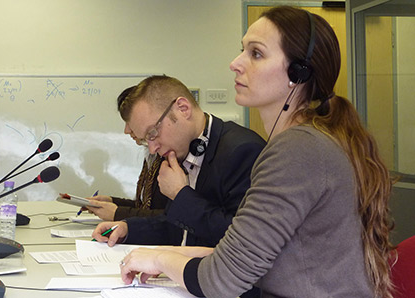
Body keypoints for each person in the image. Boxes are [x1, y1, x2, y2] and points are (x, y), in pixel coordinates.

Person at [118, 6, 395, 298]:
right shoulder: (310, 142)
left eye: (256, 53)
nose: (236, 63)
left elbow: (221, 281)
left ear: (298, 73)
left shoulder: (299, 149)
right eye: (242, 50)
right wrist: (162, 254)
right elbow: (247, 251)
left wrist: (160, 259)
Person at [92, 75, 266, 250]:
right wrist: (128, 228)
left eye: (152, 133)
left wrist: (180, 194)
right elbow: (177, 225)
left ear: (183, 109)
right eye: (146, 140)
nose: (152, 149)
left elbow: (242, 239)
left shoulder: (242, 150)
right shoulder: (182, 151)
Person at [85, 86, 169, 221]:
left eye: (131, 123)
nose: (127, 130)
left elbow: (170, 217)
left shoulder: (168, 157)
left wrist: (118, 213)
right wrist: (112, 202)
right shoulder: (152, 155)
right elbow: (143, 207)